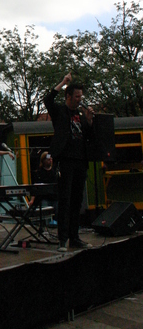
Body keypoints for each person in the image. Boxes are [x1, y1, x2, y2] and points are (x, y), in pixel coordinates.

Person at [43, 73, 94, 251]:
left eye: (81, 96)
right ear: (68, 96)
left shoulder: (80, 114)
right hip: (65, 160)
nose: (80, 99)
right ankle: (62, 239)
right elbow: (47, 99)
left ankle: (75, 237)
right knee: (65, 199)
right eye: (77, 96)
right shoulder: (60, 112)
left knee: (77, 200)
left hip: (81, 160)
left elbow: (86, 135)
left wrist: (88, 120)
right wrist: (63, 82)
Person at [32, 151, 58, 222]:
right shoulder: (39, 173)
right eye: (48, 159)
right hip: (44, 198)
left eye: (51, 158)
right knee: (45, 213)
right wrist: (32, 200)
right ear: (43, 161)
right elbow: (36, 187)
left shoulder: (55, 172)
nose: (50, 160)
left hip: (55, 198)